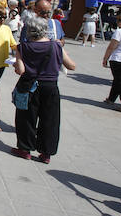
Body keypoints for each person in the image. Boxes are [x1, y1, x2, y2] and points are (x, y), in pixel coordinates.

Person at [11, 17, 76, 164]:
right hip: (50, 86)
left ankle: (25, 149)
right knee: (50, 120)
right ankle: (46, 153)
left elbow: (21, 70)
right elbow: (71, 66)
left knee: (26, 118)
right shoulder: (56, 46)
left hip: (29, 86)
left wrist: (17, 65)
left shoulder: (23, 47)